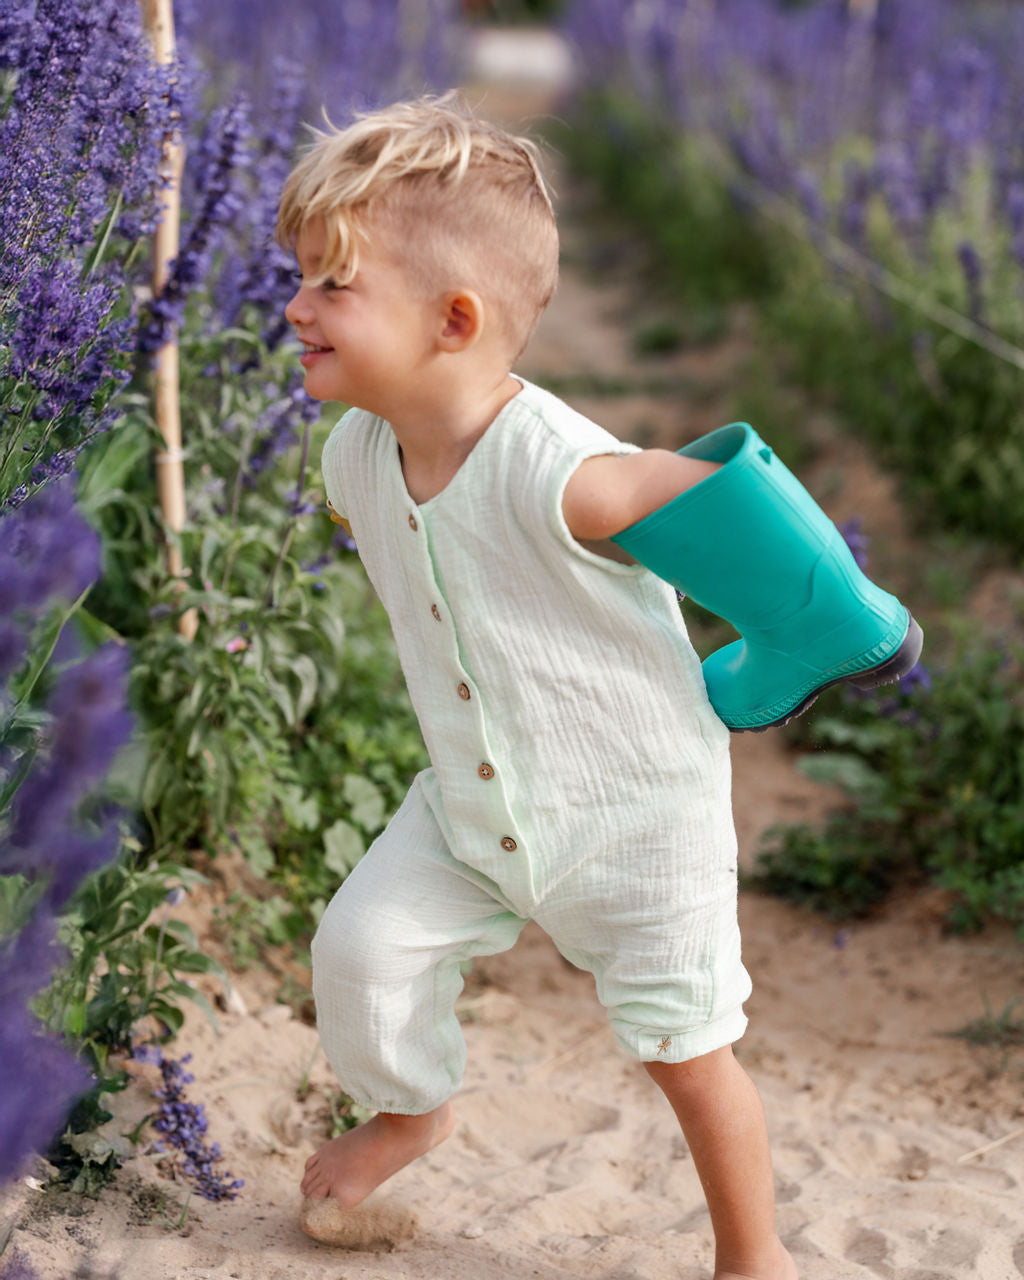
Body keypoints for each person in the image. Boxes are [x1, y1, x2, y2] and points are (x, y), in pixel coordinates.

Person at [276, 91, 914, 1280]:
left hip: (634, 810)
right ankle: (412, 1109)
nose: (295, 305)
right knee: (361, 948)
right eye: (300, 275)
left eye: (331, 283)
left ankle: (754, 1251)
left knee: (685, 1048)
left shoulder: (556, 471)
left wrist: (834, 615)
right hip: (474, 801)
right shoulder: (353, 450)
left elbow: (690, 486)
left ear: (453, 319)